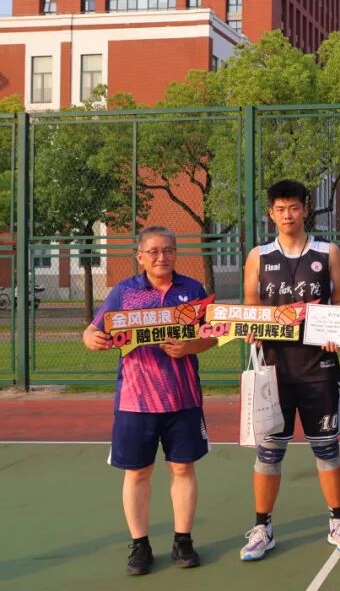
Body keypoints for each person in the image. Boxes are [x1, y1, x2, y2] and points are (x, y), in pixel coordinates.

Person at [82, 226, 215, 575]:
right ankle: (139, 545)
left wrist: (189, 346)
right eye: (153, 251)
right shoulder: (124, 292)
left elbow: (212, 336)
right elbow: (93, 329)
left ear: (176, 253)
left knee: (183, 468)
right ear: (140, 256)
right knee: (138, 472)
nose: (161, 257)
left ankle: (183, 540)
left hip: (183, 398)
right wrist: (91, 338)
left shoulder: (192, 291)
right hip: (135, 400)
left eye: (168, 250)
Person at [239, 180, 340, 561]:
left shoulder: (328, 252)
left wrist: (336, 332)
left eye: (294, 207)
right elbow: (251, 307)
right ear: (271, 213)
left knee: (327, 448)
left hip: (318, 367)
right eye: (280, 209)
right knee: (269, 452)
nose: (287, 215)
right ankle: (262, 527)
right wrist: (252, 329)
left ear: (306, 209)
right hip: (273, 369)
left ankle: (338, 522)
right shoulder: (259, 256)